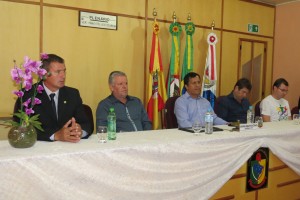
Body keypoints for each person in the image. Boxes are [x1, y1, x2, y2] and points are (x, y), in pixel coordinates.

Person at [14, 54, 92, 142]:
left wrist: (80, 130)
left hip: (68, 147)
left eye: (64, 71)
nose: (63, 76)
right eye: (58, 72)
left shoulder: (72, 94)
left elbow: (86, 124)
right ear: (44, 74)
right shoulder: (27, 95)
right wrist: (55, 136)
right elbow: (20, 129)